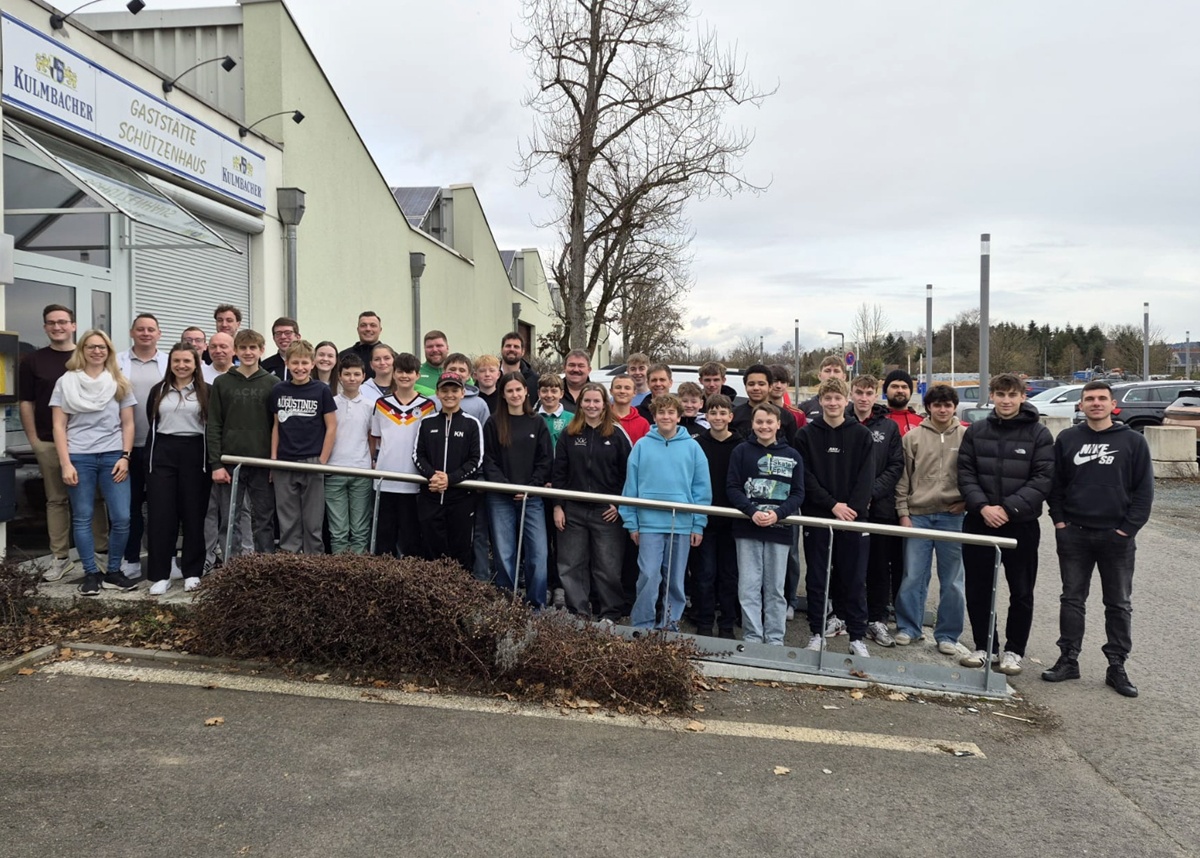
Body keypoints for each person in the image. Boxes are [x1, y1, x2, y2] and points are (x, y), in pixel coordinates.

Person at [1042, 381, 1153, 698]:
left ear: (1112, 403)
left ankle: (1116, 666)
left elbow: (1144, 493)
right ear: (1080, 405)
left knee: (1118, 604)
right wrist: (1060, 522)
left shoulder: (1133, 442)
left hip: (1116, 537)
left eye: (1101, 398)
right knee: (1071, 599)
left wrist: (1126, 531)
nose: (1095, 403)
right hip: (1074, 533)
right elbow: (1055, 486)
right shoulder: (1068, 439)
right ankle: (1068, 659)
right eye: (1089, 398)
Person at [957, 373, 1054, 676]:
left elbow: (1043, 479)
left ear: (1023, 397)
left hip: (1020, 524)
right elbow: (965, 473)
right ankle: (985, 647)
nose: (1007, 400)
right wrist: (984, 507)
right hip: (979, 521)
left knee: (1021, 591)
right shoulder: (976, 431)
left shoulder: (1039, 434)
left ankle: (1013, 651)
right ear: (992, 397)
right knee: (978, 588)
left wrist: (1008, 508)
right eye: (1000, 394)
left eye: (1012, 395)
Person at [19, 304, 108, 582]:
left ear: (73, 325)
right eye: (51, 323)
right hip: (48, 440)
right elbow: (26, 402)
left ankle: (100, 553)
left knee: (94, 500)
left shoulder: (89, 355)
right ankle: (60, 558)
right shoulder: (33, 361)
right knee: (56, 500)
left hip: (87, 444)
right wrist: (34, 439)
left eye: (62, 322)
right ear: (45, 327)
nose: (57, 327)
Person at [49, 330, 138, 595]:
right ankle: (90, 574)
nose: (96, 351)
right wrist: (65, 463)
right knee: (83, 517)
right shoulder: (66, 382)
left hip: (113, 456)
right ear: (82, 350)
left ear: (109, 351)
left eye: (102, 347)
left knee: (122, 517)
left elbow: (128, 423)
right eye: (91, 346)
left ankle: (113, 571)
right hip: (79, 457)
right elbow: (58, 425)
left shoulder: (119, 381)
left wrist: (125, 456)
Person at [794, 378, 874, 657]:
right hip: (819, 517)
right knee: (817, 577)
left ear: (846, 401)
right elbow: (805, 476)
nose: (832, 403)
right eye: (827, 398)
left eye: (837, 398)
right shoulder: (806, 435)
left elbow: (867, 477)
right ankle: (817, 632)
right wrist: (832, 505)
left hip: (853, 518)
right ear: (820, 400)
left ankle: (856, 636)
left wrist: (850, 507)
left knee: (854, 578)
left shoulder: (861, 435)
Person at [620, 393, 712, 631]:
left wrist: (697, 524)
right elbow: (630, 488)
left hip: (680, 523)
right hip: (648, 523)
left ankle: (670, 625)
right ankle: (642, 624)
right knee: (649, 576)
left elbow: (702, 489)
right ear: (654, 416)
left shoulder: (693, 447)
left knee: (675, 581)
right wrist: (632, 523)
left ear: (679, 417)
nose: (666, 416)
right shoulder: (641, 446)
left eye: (671, 412)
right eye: (661, 412)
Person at [893, 383, 968, 654]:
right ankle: (908, 628)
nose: (943, 409)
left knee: (953, 580)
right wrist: (903, 512)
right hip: (918, 515)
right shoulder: (912, 438)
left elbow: (973, 475)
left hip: (953, 517)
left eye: (948, 405)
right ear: (929, 407)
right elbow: (903, 479)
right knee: (914, 575)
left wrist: (967, 501)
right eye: (937, 405)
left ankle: (948, 635)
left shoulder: (966, 436)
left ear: (954, 407)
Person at [551, 382, 632, 622]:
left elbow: (628, 474)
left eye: (597, 401)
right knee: (570, 564)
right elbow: (559, 472)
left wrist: (618, 504)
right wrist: (557, 505)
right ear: (580, 404)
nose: (591, 405)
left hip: (606, 512)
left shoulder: (617, 435)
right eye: (587, 401)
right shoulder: (569, 433)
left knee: (607, 567)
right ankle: (579, 612)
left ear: (605, 405)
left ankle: (609, 613)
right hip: (573, 510)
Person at [726, 402, 805, 645]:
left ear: (778, 424)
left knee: (775, 589)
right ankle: (752, 635)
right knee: (748, 587)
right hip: (747, 528)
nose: (764, 426)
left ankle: (774, 638)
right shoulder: (741, 451)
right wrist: (751, 511)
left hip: (779, 530)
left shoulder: (792, 456)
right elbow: (733, 487)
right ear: (752, 424)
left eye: (769, 422)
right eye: (759, 422)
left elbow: (798, 493)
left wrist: (778, 514)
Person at [144, 343, 211, 595]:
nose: (181, 366)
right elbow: (151, 424)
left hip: (195, 454)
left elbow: (212, 428)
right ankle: (161, 574)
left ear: (196, 365)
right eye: (176, 361)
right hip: (163, 453)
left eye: (187, 361)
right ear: (170, 364)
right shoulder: (158, 390)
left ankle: (192, 572)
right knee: (162, 515)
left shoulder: (207, 392)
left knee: (193, 514)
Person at [484, 372, 553, 607]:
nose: (515, 394)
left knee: (538, 554)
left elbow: (546, 460)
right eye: (509, 390)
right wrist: (506, 487)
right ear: (503, 394)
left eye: (518, 390)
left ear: (526, 391)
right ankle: (507, 604)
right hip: (500, 499)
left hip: (531, 498)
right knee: (505, 554)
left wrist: (529, 487)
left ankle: (536, 605)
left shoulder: (538, 422)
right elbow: (489, 460)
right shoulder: (493, 423)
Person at [208, 329, 278, 556]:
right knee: (230, 518)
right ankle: (232, 567)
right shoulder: (222, 383)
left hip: (262, 462)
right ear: (235, 351)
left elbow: (277, 427)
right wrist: (216, 464)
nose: (248, 352)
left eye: (253, 348)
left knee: (264, 519)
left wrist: (273, 463)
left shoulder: (272, 383)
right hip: (230, 462)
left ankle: (264, 567)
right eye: (243, 348)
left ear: (261, 350)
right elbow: (214, 424)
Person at [848, 374, 903, 648]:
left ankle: (877, 618)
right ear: (852, 393)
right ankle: (842, 614)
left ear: (876, 395)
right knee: (845, 565)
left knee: (879, 567)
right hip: (847, 509)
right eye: (859, 392)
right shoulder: (841, 422)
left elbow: (895, 466)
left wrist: (870, 494)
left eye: (869, 392)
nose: (863, 397)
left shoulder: (889, 428)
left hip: (879, 509)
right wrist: (854, 498)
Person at [269, 340, 337, 554]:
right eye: (295, 362)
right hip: (285, 462)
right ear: (287, 363)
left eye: (305, 362)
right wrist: (273, 460)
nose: (300, 367)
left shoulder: (321, 390)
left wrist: (322, 461)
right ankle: (290, 560)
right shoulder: (279, 389)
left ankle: (313, 562)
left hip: (312, 461)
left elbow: (332, 427)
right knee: (287, 518)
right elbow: (276, 426)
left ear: (313, 364)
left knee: (313, 519)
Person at [413, 371, 484, 570]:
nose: (449, 395)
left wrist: (450, 479)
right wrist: (433, 476)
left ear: (462, 393)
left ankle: (461, 599)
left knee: (460, 552)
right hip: (431, 497)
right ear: (437, 393)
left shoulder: (472, 424)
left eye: (454, 390)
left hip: (460, 499)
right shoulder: (427, 422)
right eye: (445, 390)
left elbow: (476, 460)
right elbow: (417, 456)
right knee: (431, 551)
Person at [117, 313, 168, 580]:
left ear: (159, 333)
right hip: (127, 446)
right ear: (132, 332)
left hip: (161, 445)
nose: (146, 333)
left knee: (163, 505)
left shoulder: (170, 361)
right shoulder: (117, 363)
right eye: (141, 329)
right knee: (131, 505)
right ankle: (132, 558)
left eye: (151, 329)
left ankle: (165, 557)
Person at [370, 352, 435, 557]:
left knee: (411, 539)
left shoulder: (428, 406)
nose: (404, 376)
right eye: (400, 371)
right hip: (385, 479)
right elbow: (375, 437)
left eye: (410, 372)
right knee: (384, 538)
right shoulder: (381, 404)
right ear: (393, 374)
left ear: (417, 375)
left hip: (414, 481)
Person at [694, 394, 740, 638]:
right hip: (706, 520)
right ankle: (704, 621)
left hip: (733, 521)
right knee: (705, 574)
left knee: (729, 575)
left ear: (730, 417)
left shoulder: (741, 445)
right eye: (713, 413)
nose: (718, 417)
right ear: (707, 416)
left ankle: (726, 624)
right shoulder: (698, 444)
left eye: (723, 413)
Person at [323, 353, 373, 554]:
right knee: (338, 530)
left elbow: (372, 437)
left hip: (361, 472)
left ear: (363, 376)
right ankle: (340, 572)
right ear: (340, 376)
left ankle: (358, 572)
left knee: (360, 529)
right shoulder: (330, 403)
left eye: (356, 374)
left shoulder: (371, 406)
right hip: (334, 471)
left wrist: (369, 461)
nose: (352, 378)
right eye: (347, 374)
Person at [732, 364, 797, 444]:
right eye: (751, 384)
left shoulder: (786, 417)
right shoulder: (733, 416)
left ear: (770, 387)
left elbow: (793, 447)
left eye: (761, 384)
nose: (756, 388)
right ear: (745, 386)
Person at [442, 353, 491, 426]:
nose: (456, 373)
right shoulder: (432, 402)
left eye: (462, 370)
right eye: (452, 369)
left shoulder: (479, 404)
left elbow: (485, 433)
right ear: (444, 371)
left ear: (468, 375)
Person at [341, 311, 383, 379]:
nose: (368, 329)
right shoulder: (343, 356)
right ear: (358, 330)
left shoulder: (391, 358)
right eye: (363, 325)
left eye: (373, 325)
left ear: (380, 330)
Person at [609, 374, 649, 444]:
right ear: (611, 391)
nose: (622, 391)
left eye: (627, 388)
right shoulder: (602, 419)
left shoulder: (643, 424)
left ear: (634, 393)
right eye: (618, 387)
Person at [882, 369, 922, 436]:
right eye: (894, 386)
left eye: (904, 387)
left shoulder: (921, 423)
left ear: (910, 392)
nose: (900, 390)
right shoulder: (875, 420)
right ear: (885, 391)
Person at [500, 332, 539, 400]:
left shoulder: (533, 380)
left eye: (516, 347)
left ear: (522, 352)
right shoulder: (490, 378)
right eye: (508, 346)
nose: (512, 349)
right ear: (501, 349)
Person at [261, 317, 299, 382]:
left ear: (298, 337)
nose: (283, 337)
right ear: (274, 338)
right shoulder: (264, 366)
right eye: (278, 333)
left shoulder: (307, 365)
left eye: (288, 333)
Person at [416, 330, 450, 397]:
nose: (434, 350)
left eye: (439, 346)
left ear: (447, 348)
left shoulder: (459, 373)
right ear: (424, 349)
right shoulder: (414, 373)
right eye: (430, 347)